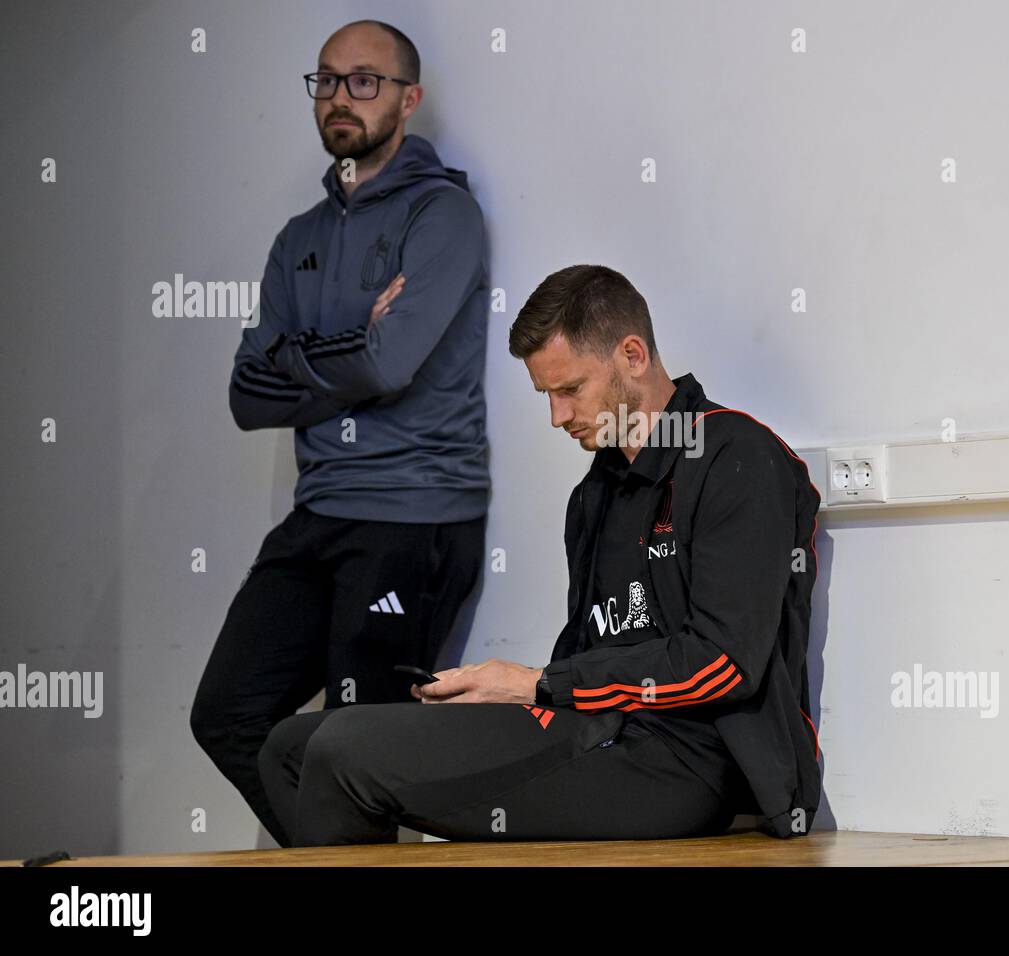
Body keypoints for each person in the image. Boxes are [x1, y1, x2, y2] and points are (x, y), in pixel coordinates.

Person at [257, 265, 823, 845]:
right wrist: (495, 697)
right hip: (597, 731)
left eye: (570, 389)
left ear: (632, 355)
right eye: (545, 395)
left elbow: (723, 664)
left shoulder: (738, 458)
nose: (557, 416)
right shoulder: (594, 495)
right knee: (289, 748)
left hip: (689, 764)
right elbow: (588, 653)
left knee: (343, 750)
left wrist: (536, 684)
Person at [191, 20, 490, 847]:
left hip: (415, 515)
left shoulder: (445, 216)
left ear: (409, 98)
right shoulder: (300, 240)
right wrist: (356, 340)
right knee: (227, 714)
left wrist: (305, 359)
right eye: (326, 81)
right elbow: (248, 396)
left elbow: (392, 366)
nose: (340, 98)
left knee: (358, 743)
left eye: (365, 81)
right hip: (320, 512)